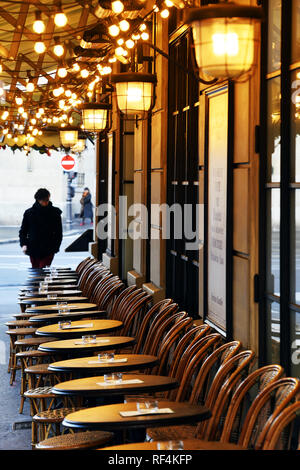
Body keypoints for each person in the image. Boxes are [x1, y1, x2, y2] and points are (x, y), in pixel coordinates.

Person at [19, 188, 63, 269]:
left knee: (43, 272)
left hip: (48, 249)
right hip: (33, 248)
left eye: (48, 199)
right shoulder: (29, 213)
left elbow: (59, 233)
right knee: (35, 272)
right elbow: (23, 231)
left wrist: (55, 248)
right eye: (44, 200)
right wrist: (23, 244)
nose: (47, 202)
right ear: (38, 200)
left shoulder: (55, 213)